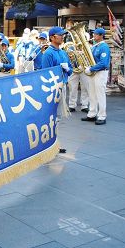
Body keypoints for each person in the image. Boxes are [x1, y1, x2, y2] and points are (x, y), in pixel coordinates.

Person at [41, 26, 73, 154]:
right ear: (52, 37)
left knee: (58, 116)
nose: (62, 37)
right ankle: (50, 144)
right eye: (60, 35)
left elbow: (70, 69)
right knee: (54, 116)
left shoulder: (63, 52)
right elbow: (45, 74)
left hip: (62, 85)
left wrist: (66, 69)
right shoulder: (48, 53)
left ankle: (53, 143)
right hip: (53, 88)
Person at [82, 28, 111, 125]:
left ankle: (102, 116)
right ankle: (92, 114)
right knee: (92, 94)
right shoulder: (95, 46)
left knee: (100, 94)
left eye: (95, 34)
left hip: (101, 72)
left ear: (101, 35)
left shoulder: (104, 47)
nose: (93, 36)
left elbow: (103, 63)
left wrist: (90, 69)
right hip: (94, 72)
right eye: (94, 34)